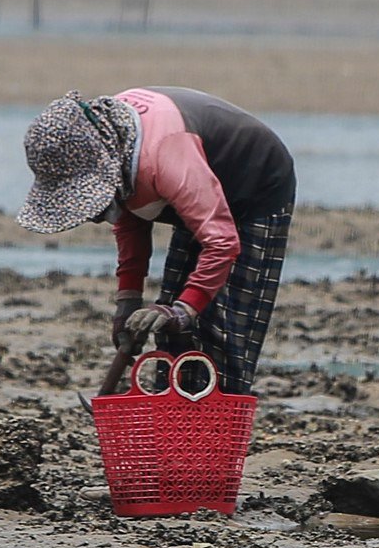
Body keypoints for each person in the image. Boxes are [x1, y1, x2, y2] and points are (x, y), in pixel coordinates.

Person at [16, 86, 296, 395]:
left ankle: (214, 432)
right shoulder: (115, 144)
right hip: (201, 195)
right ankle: (174, 424)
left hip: (255, 189)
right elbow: (129, 224)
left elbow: (222, 243)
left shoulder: (166, 154)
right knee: (168, 327)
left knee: (221, 331)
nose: (93, 217)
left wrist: (184, 310)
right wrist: (128, 301)